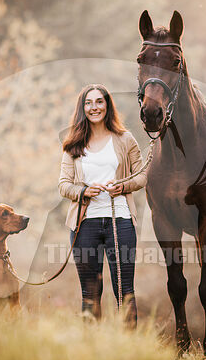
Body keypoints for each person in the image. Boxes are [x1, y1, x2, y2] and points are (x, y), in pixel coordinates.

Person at [59, 84, 147, 327]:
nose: (94, 107)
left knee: (125, 291)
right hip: (84, 225)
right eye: (88, 103)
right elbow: (63, 185)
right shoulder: (73, 144)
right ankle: (92, 350)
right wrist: (84, 191)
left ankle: (128, 348)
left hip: (120, 221)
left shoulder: (124, 139)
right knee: (90, 294)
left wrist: (123, 186)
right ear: (82, 108)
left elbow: (142, 175)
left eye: (99, 101)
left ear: (107, 106)